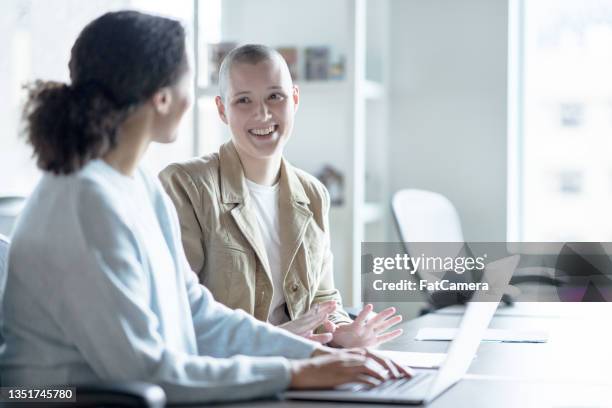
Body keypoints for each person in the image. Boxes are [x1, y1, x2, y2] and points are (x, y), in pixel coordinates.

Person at [0, 11, 410, 404]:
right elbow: (144, 371)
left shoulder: (137, 185)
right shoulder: (85, 201)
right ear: (162, 97)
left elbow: (198, 312)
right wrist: (293, 373)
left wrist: (316, 357)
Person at [160, 44, 403, 347]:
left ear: (295, 99)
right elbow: (179, 312)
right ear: (222, 110)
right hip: (237, 373)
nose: (262, 113)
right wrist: (273, 338)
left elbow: (324, 299)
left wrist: (342, 332)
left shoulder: (313, 194)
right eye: (243, 100)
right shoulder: (186, 185)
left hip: (304, 367)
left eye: (275, 97)